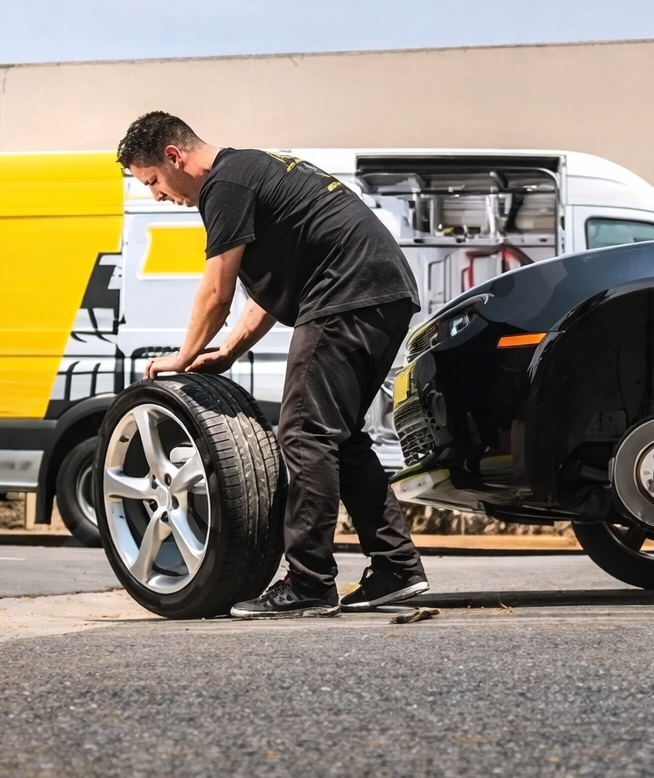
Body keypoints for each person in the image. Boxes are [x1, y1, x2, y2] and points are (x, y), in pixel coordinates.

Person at [116, 111, 428, 618]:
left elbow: (216, 292)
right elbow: (266, 291)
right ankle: (395, 569)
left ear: (174, 157)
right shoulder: (251, 172)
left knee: (305, 435)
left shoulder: (225, 186)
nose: (156, 195)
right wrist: (230, 350)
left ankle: (309, 582)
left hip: (344, 296)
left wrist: (185, 354)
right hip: (382, 293)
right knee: (339, 437)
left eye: (152, 181)